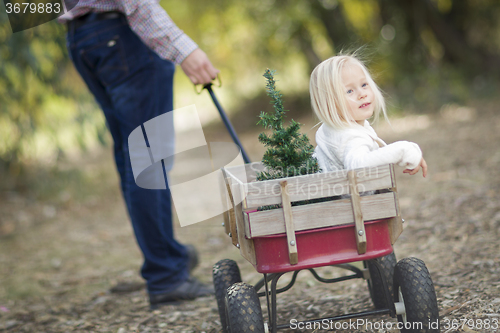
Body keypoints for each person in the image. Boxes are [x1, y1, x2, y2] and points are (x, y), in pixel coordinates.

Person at [59, 1, 219, 309]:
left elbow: (27, 7)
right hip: (122, 35)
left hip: (80, 37)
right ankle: (166, 275)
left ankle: (167, 258)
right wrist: (184, 49)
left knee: (132, 157)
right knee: (148, 158)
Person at [310, 54, 428, 177]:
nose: (362, 94)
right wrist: (403, 150)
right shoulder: (349, 137)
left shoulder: (338, 130)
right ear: (330, 105)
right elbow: (358, 166)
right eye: (349, 91)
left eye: (364, 85)